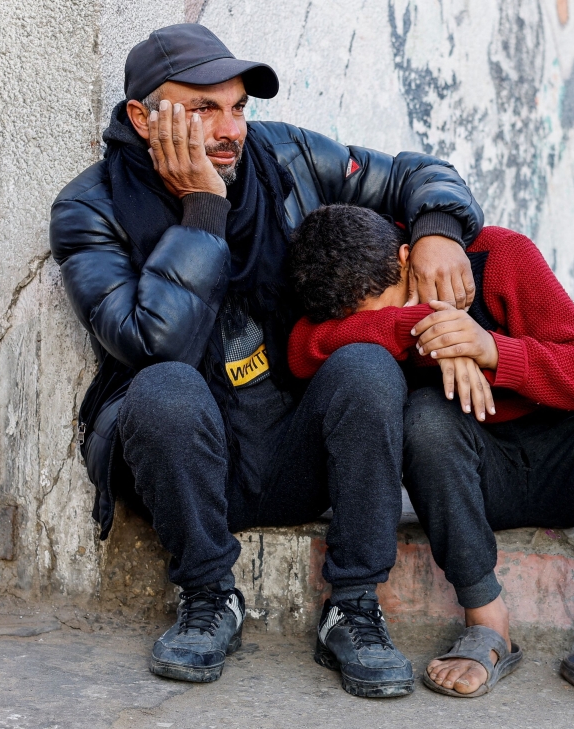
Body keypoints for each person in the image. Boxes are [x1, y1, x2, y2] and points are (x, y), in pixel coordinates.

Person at [49, 24, 483, 696]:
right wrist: (201, 212)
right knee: (161, 385)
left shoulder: (287, 159)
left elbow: (411, 173)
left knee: (367, 366)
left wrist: (437, 229)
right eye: (203, 109)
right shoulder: (89, 208)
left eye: (238, 107)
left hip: (293, 442)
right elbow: (148, 343)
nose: (231, 130)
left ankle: (355, 606)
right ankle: (207, 596)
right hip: (188, 462)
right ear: (142, 117)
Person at [286, 205, 574, 716]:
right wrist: (422, 320)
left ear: (409, 257)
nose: (396, 332)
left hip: (566, 465)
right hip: (474, 481)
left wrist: (490, 348)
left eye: (397, 304)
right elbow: (302, 349)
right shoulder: (374, 306)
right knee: (427, 416)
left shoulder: (500, 256)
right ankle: (487, 623)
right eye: (379, 325)